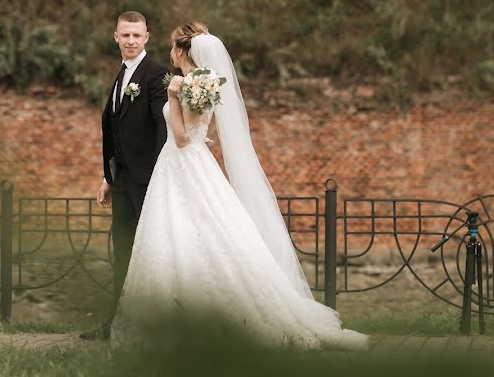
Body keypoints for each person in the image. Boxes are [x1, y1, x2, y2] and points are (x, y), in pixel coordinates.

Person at [110, 22, 369, 350]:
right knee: (198, 230)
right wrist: (191, 120)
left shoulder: (189, 82)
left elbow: (179, 136)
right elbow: (202, 130)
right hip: (189, 162)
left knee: (183, 231)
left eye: (173, 46)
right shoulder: (205, 80)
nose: (170, 51)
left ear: (181, 50)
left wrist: (174, 97)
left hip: (182, 163)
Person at [81, 11, 168, 341]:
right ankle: (117, 324)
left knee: (152, 254)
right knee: (123, 254)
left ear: (147, 37)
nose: (131, 40)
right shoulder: (122, 75)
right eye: (125, 35)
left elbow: (162, 128)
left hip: (148, 184)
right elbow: (119, 130)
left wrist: (161, 177)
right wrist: (109, 176)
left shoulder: (156, 73)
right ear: (115, 36)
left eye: (137, 35)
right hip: (123, 183)